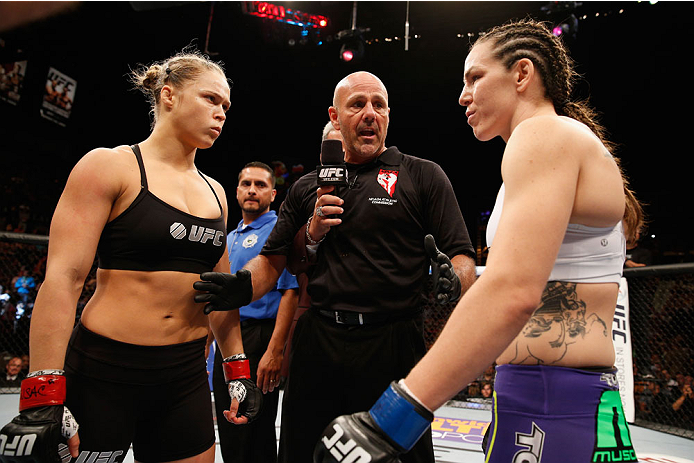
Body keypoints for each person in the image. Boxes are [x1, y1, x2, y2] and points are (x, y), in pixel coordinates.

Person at [313, 19, 645, 463]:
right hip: (543, 393)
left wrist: (393, 417)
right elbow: (548, 275)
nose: (463, 95)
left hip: (556, 399)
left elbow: (514, 292)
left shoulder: (544, 135)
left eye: (475, 77)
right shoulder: (551, 144)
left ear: (522, 74)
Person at [195, 71, 477, 463]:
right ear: (335, 115)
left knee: (400, 456)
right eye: (358, 104)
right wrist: (241, 287)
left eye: (379, 105)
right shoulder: (307, 186)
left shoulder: (422, 175)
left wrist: (454, 280)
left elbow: (462, 255)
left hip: (394, 343)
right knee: (302, 452)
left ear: (389, 116)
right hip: (320, 341)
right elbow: (274, 261)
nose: (370, 113)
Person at [0, 49, 261, 463]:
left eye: (226, 105)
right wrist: (43, 388)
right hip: (107, 370)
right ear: (169, 94)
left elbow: (221, 293)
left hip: (185, 376)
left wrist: (237, 368)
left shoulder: (217, 193)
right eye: (211, 99)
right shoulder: (110, 167)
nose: (222, 113)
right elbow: (63, 278)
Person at [212, 161, 299, 463]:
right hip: (225, 339)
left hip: (258, 338)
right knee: (230, 430)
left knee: (255, 431)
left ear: (273, 194)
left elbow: (291, 291)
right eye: (246, 183)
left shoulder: (278, 230)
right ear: (236, 191)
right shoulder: (230, 235)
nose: (252, 190)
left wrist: (275, 352)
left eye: (260, 185)